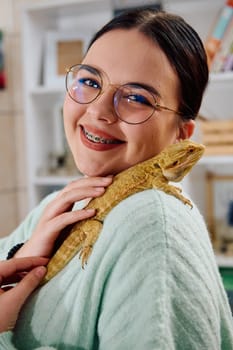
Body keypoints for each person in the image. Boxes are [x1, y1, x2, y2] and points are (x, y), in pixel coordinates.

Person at [0, 8, 233, 350]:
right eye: (91, 81)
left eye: (137, 98)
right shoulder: (68, 200)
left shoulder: (154, 226)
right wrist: (22, 257)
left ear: (181, 135)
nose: (98, 111)